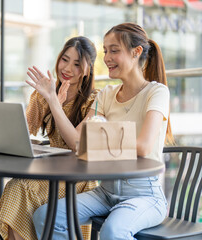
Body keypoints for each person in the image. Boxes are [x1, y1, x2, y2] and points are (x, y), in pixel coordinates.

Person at [31, 22, 174, 240]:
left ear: (136, 53)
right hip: (106, 191)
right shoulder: (106, 94)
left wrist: (100, 134)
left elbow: (143, 146)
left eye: (114, 50)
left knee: (113, 231)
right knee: (46, 216)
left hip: (144, 195)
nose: (106, 57)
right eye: (105, 50)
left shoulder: (157, 92)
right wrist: (52, 100)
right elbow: (77, 143)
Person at [0, 36, 100, 240]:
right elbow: (22, 132)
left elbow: (76, 144)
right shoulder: (44, 93)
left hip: (78, 179)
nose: (67, 68)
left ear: (87, 70)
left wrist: (54, 102)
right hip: (51, 173)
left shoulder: (95, 99)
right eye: (65, 59)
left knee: (20, 188)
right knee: (15, 187)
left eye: (77, 64)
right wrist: (44, 98)